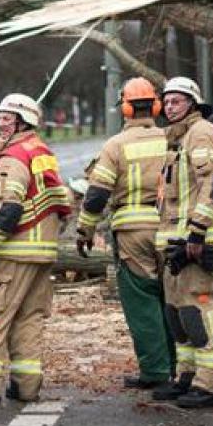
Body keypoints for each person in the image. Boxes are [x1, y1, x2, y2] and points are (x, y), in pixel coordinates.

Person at [0, 94, 71, 405]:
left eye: (7, 118)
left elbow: (10, 207)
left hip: (14, 252)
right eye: (0, 117)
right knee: (29, 318)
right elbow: (60, 202)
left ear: (24, 121)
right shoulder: (42, 152)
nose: (0, 123)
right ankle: (25, 386)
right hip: (42, 252)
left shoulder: (14, 157)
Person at [76, 77, 174, 390]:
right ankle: (179, 368)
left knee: (142, 301)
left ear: (126, 108)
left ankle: (156, 371)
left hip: (133, 232)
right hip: (172, 229)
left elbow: (96, 194)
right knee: (171, 298)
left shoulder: (116, 145)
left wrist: (85, 229)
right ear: (156, 105)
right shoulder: (171, 138)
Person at [151, 77, 213, 409]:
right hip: (174, 243)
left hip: (193, 243)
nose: (169, 107)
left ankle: (210, 384)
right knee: (177, 314)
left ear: (193, 105)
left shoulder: (200, 133)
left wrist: (197, 232)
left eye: (177, 101)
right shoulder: (177, 139)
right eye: (166, 102)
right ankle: (187, 375)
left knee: (198, 312)